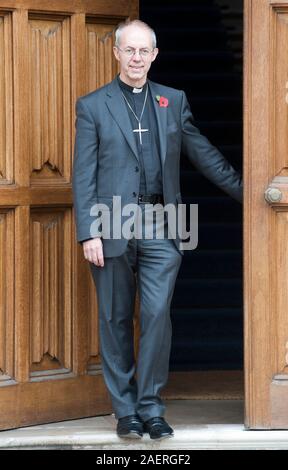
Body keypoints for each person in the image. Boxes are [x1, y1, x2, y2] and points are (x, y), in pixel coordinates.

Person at [72, 19, 242, 440]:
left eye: (143, 51)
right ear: (116, 54)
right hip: (110, 222)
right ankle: (125, 410)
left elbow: (202, 152)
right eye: (128, 50)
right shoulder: (93, 105)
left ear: (154, 55)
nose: (136, 59)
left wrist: (248, 193)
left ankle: (150, 406)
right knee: (114, 318)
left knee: (156, 315)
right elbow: (83, 175)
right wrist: (87, 231)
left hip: (163, 225)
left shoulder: (172, 100)